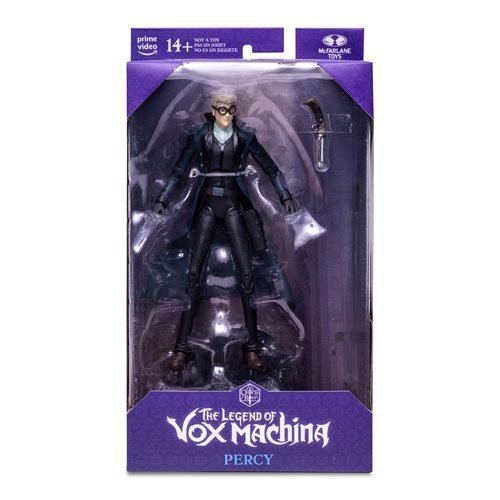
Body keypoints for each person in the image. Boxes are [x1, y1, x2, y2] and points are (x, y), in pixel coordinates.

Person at [154, 88, 295, 372]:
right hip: (207, 205)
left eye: (231, 110)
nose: (226, 115)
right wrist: (163, 199)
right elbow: (179, 170)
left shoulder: (245, 136)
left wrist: (285, 196)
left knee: (247, 275)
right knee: (193, 275)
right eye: (221, 109)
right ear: (213, 109)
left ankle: (252, 347)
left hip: (233, 204)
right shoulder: (199, 136)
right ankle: (181, 348)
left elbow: (271, 168)